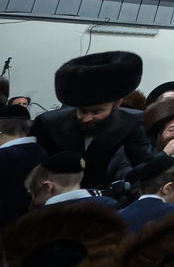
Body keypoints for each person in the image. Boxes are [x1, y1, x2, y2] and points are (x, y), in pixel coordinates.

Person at [31, 51, 154, 190]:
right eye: (82, 111)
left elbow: (143, 164)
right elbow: (34, 168)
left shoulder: (130, 123)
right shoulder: (48, 123)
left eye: (97, 111)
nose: (87, 118)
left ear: (117, 103)